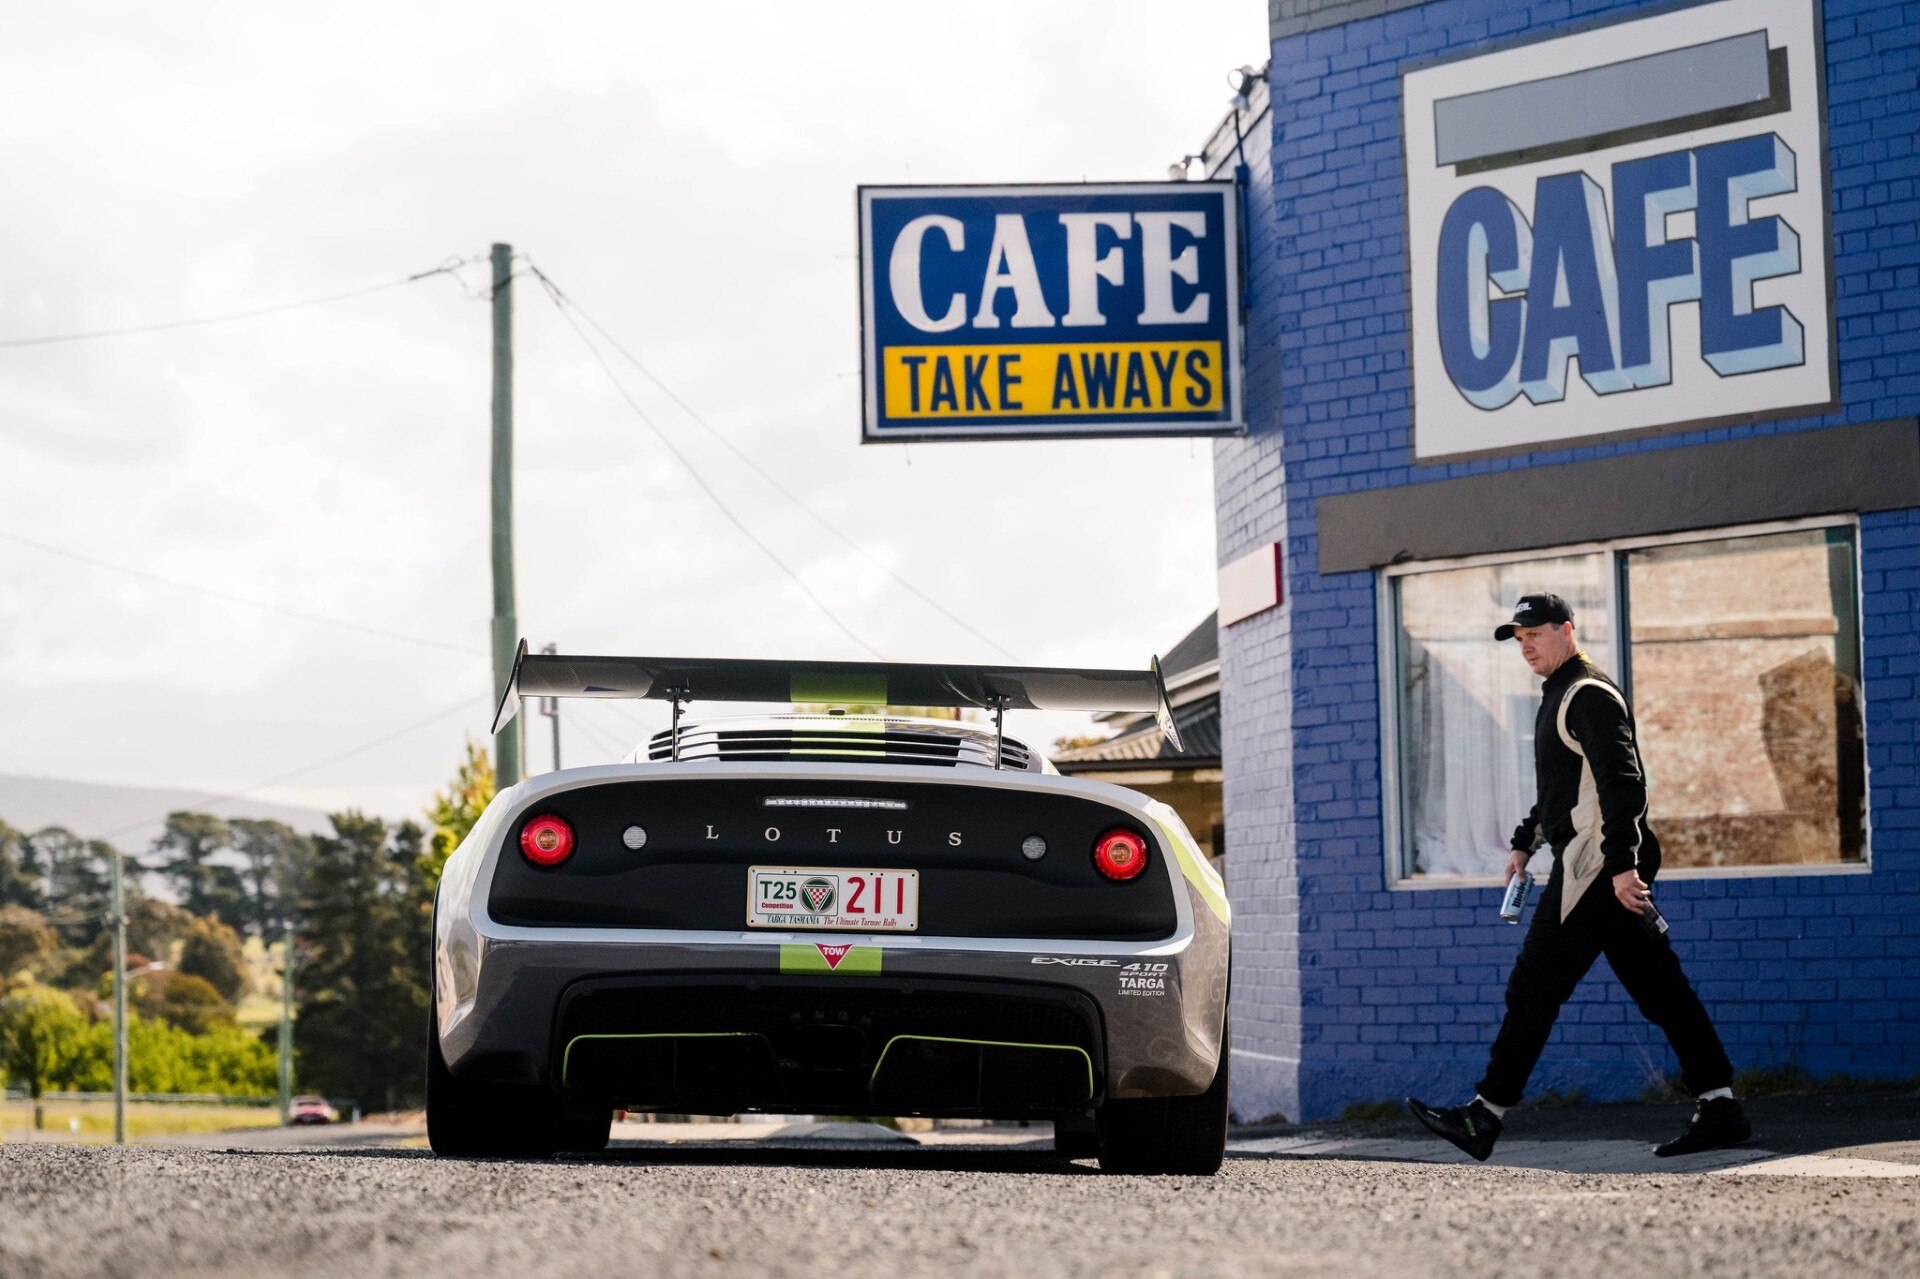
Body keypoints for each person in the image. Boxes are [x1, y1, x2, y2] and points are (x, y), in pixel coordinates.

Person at [1407, 593, 1751, 1161]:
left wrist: (1622, 866)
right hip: (1596, 861)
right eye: (1519, 639)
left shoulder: (1588, 694)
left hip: (1596, 865)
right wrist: (1525, 840)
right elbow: (1565, 791)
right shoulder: (1560, 695)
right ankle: (1721, 1106)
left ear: (1567, 630)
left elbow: (1623, 784)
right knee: (1662, 990)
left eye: (1535, 634)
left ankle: (1484, 1116)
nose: (1526, 647)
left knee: (1533, 985)